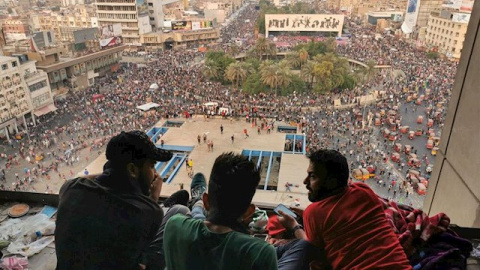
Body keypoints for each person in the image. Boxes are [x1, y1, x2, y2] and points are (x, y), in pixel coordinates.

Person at [55, 130, 173, 270]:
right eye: (152, 166)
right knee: (179, 210)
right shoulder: (147, 212)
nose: (155, 173)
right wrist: (153, 198)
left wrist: (110, 174)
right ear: (132, 170)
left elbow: (76, 180)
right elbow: (148, 215)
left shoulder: (70, 189)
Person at [278, 149, 412, 270]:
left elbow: (310, 251)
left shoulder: (314, 212)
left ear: (331, 182)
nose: (305, 181)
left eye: (313, 176)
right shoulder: (364, 191)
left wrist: (294, 226)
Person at [163, 152, 277, 270]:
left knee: (197, 215)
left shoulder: (174, 225)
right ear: (249, 212)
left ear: (206, 201)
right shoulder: (261, 253)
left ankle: (197, 201)